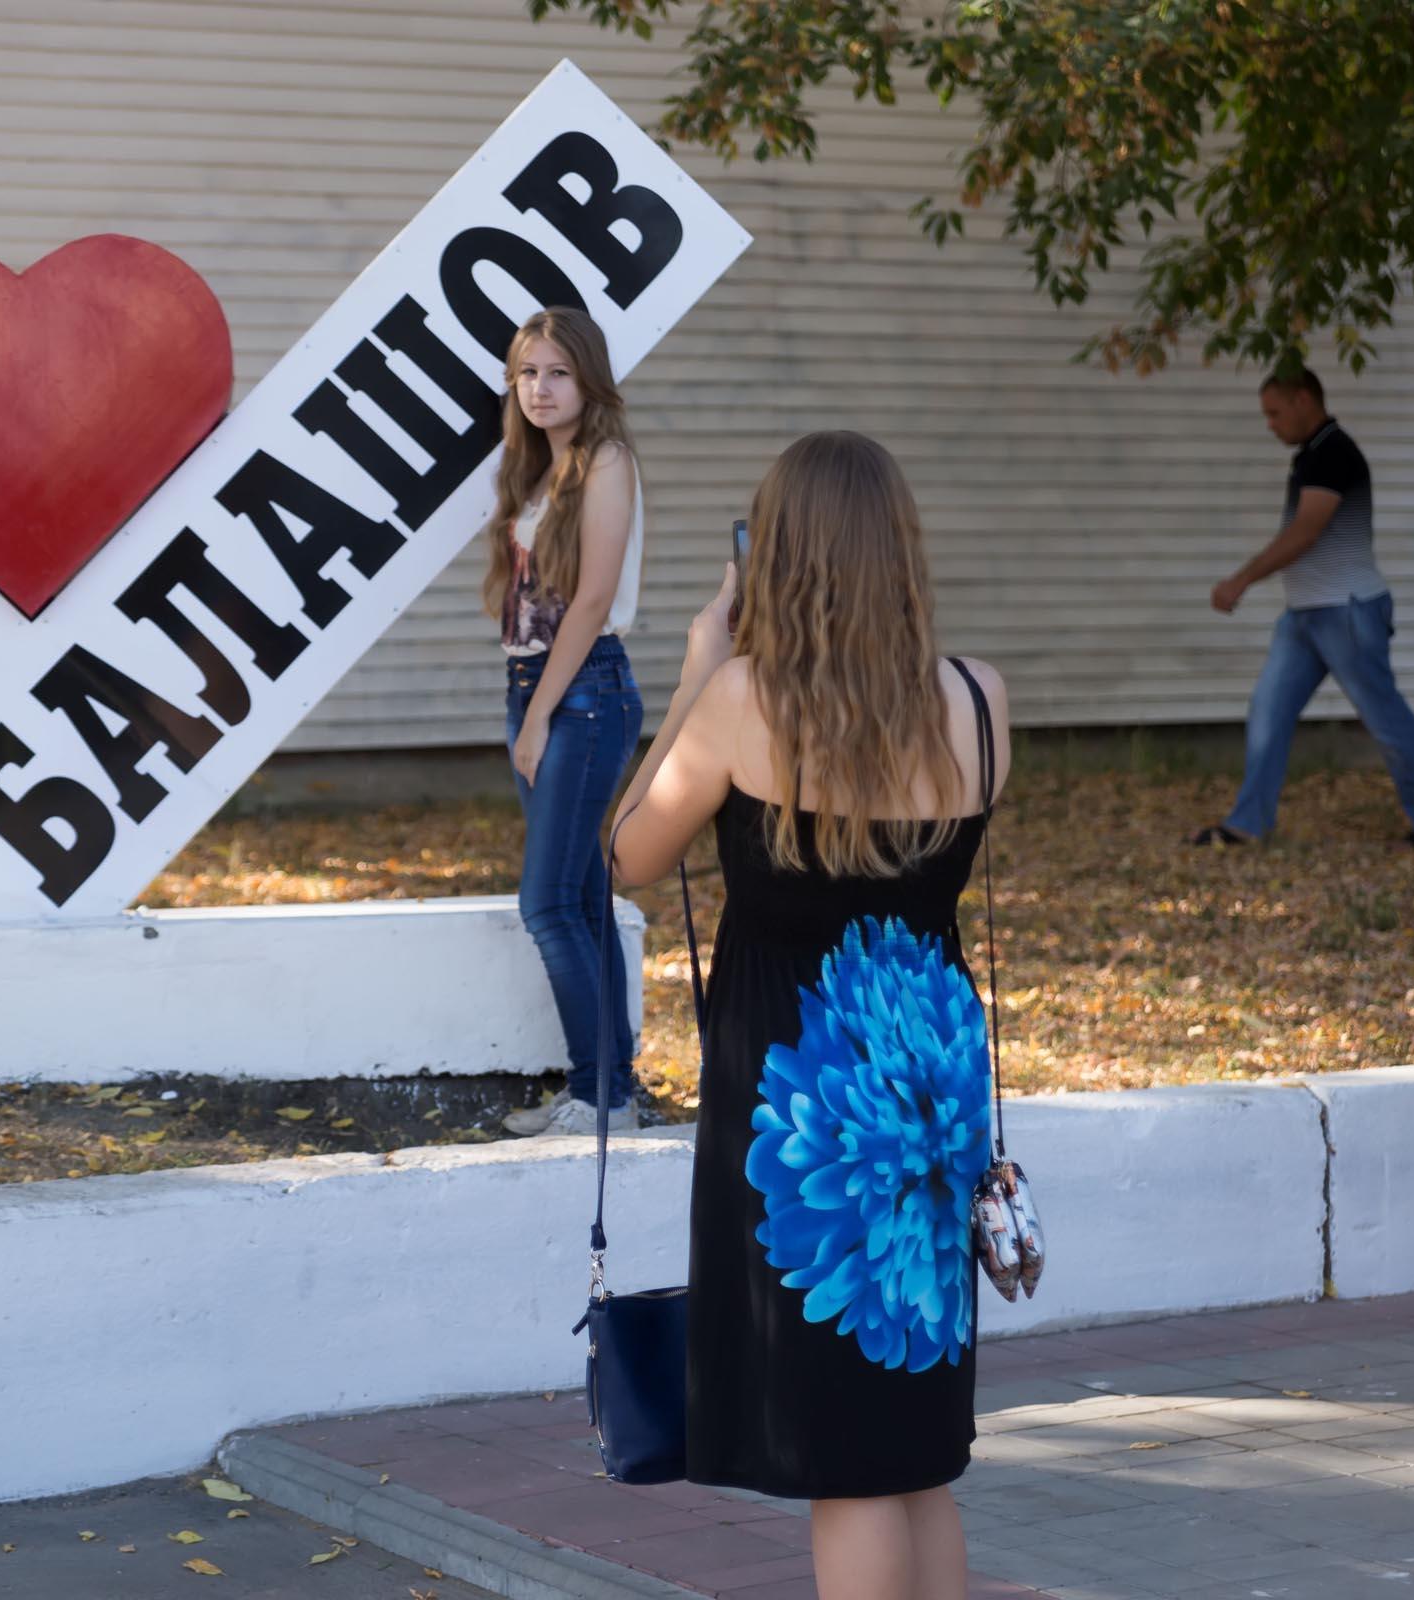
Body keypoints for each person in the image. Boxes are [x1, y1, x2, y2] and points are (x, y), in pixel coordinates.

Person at [608, 431, 1010, 1600]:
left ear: (776, 556)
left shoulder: (742, 703)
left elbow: (627, 853)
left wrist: (694, 670)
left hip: (804, 1101)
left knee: (849, 1457)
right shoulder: (980, 701)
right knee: (913, 1446)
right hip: (931, 1076)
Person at [484, 308, 648, 1139]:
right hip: (541, 685)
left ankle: (599, 1095)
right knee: (580, 902)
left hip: (582, 692)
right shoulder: (539, 472)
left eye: (557, 373)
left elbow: (590, 600)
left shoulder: (607, 462)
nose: (540, 388)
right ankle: (609, 1089)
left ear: (588, 380)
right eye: (527, 373)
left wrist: (539, 715)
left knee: (548, 903)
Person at [1193, 370, 1414, 848]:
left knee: (1385, 719)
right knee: (1268, 713)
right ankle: (1247, 824)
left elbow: (1306, 532)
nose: (1270, 424)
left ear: (1303, 399)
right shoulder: (1311, 455)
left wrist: (1241, 580)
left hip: (1346, 614)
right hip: (1306, 614)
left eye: (1274, 413)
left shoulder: (1333, 453)